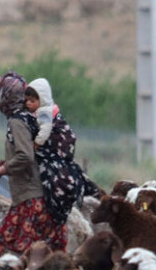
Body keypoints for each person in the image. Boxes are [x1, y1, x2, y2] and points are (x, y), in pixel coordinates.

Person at [0, 71, 67, 255]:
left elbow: (25, 156)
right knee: (38, 252)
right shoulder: (28, 117)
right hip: (39, 197)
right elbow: (26, 153)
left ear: (6, 97)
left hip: (31, 199)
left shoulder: (17, 121)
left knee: (8, 244)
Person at [24, 77, 102, 228]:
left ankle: (57, 213)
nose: (28, 104)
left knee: (55, 180)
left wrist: (36, 144)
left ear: (43, 99)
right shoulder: (41, 112)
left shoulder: (44, 113)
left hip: (58, 153)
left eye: (32, 101)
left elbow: (46, 131)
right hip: (58, 157)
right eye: (27, 100)